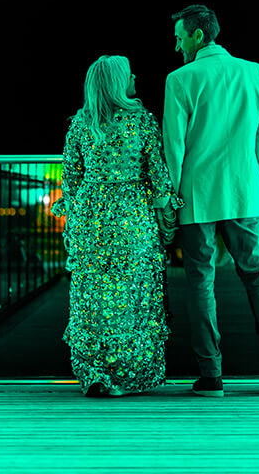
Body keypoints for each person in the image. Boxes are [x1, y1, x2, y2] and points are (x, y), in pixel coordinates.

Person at [163, 4, 259, 397]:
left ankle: (211, 376)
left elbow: (174, 147)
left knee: (200, 283)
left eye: (179, 37)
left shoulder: (180, 79)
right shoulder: (253, 73)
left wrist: (170, 200)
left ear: (197, 35)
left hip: (197, 198)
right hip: (245, 193)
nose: (177, 46)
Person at [52, 55, 181, 397]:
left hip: (90, 220)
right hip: (132, 218)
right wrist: (171, 218)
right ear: (117, 82)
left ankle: (96, 371)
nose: (135, 76)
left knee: (93, 298)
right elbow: (160, 178)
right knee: (133, 294)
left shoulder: (81, 124)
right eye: (129, 73)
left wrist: (76, 222)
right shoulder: (142, 121)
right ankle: (126, 373)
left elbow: (71, 182)